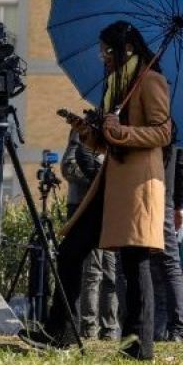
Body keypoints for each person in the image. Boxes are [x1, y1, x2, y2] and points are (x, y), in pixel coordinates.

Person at [23, 20, 172, 360]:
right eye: (101, 51)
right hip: (110, 182)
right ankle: (58, 331)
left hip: (137, 185)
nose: (103, 56)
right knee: (72, 249)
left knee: (134, 265)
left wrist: (122, 132)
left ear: (127, 49)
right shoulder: (116, 86)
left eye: (107, 50)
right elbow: (108, 142)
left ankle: (139, 348)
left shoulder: (150, 81)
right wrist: (88, 133)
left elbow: (163, 133)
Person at [62, 129, 120, 340]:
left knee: (111, 273)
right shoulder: (82, 131)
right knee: (92, 272)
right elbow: (68, 167)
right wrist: (96, 179)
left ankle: (110, 329)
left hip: (108, 208)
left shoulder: (114, 133)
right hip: (82, 206)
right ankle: (88, 328)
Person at [151, 146, 183, 341]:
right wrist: (179, 205)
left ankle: (145, 325)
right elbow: (182, 166)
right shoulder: (176, 125)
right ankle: (177, 329)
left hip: (140, 195)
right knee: (170, 265)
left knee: (137, 263)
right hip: (164, 197)